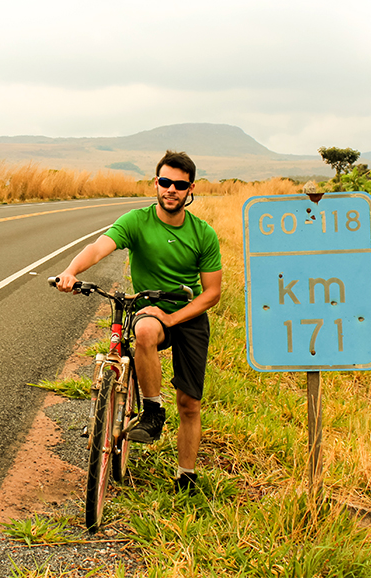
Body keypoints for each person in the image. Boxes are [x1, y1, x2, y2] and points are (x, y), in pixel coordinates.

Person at [55, 150, 223, 493]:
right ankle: (152, 410)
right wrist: (71, 271)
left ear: (190, 189)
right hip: (150, 309)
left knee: (190, 403)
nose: (171, 190)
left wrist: (173, 316)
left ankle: (186, 477)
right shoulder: (136, 221)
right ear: (156, 184)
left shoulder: (203, 233)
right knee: (144, 329)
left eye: (179, 184)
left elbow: (211, 293)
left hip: (187, 313)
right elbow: (99, 247)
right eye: (164, 182)